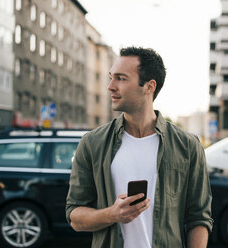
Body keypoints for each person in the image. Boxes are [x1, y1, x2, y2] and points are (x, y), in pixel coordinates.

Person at [66, 46, 213, 248]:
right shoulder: (92, 143)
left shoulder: (187, 146)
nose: (110, 86)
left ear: (149, 87)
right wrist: (113, 214)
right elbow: (75, 216)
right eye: (111, 77)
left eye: (121, 78)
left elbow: (199, 218)